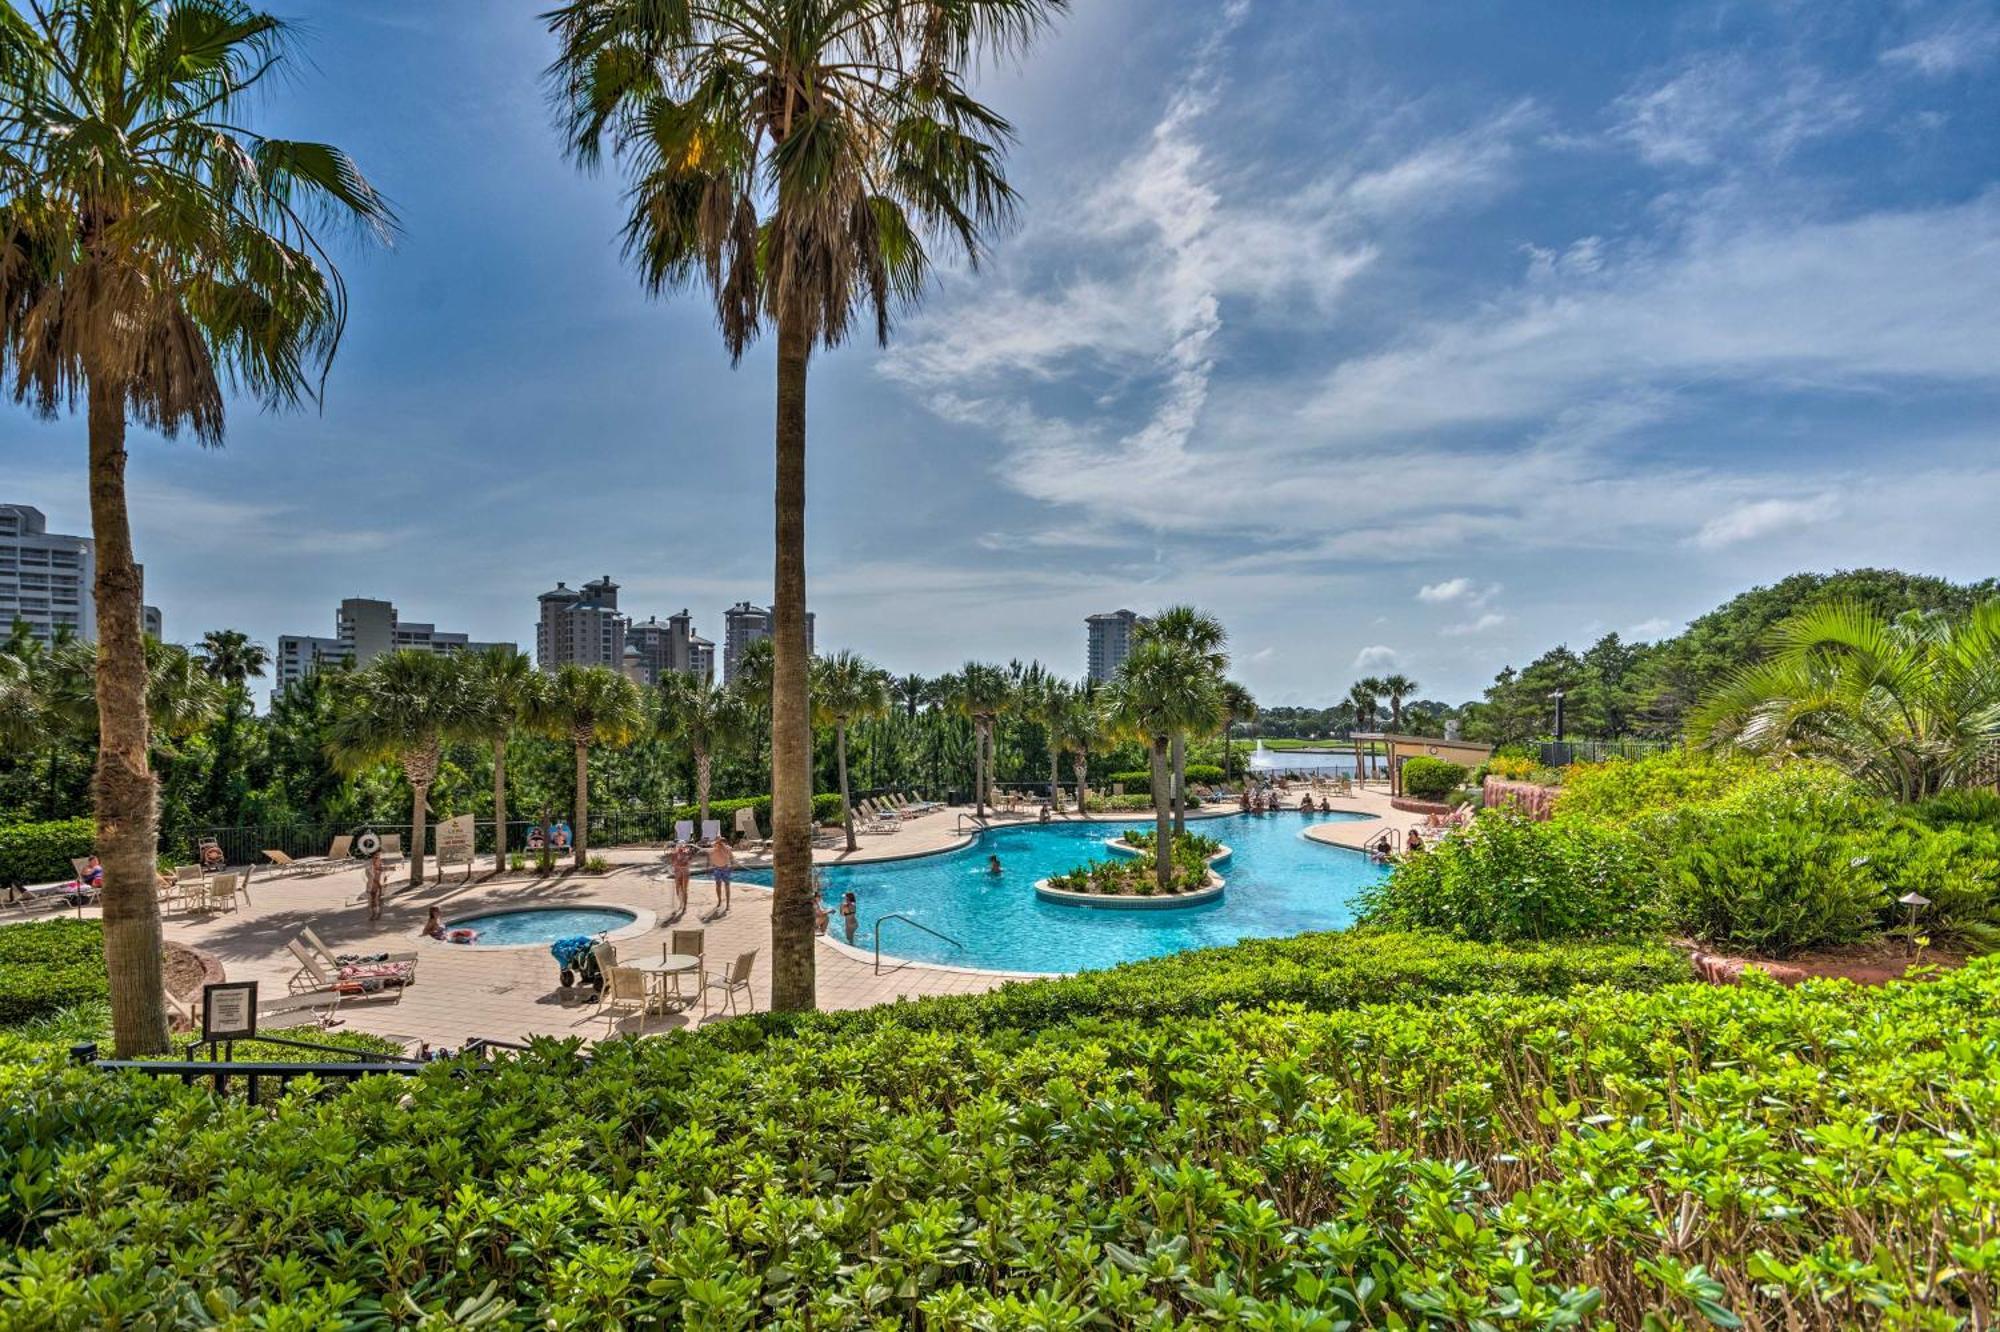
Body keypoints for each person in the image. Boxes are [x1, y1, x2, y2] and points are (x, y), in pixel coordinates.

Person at [709, 835, 734, 912]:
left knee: (727, 886)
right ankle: (719, 900)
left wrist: (732, 866)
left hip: (725, 868)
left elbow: (732, 858)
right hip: (717, 869)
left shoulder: (727, 848)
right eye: (718, 841)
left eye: (720, 841)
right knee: (718, 885)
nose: (719, 843)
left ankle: (727, 904)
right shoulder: (714, 849)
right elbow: (711, 858)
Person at [669, 839, 692, 917]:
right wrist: (675, 860)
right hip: (677, 873)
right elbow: (673, 863)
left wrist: (678, 864)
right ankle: (681, 903)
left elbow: (687, 863)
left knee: (684, 889)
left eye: (682, 845)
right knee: (678, 889)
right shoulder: (674, 854)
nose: (680, 847)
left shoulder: (687, 853)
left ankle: (684, 906)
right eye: (679, 846)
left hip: (685, 873)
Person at [365, 849, 386, 923]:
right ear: (373, 856)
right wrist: (379, 885)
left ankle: (378, 914)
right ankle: (374, 914)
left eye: (379, 856)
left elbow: (383, 873)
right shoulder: (369, 865)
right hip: (373, 885)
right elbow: (370, 876)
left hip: (379, 884)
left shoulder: (380, 863)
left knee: (379, 900)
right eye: (376, 856)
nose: (378, 857)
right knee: (373, 900)